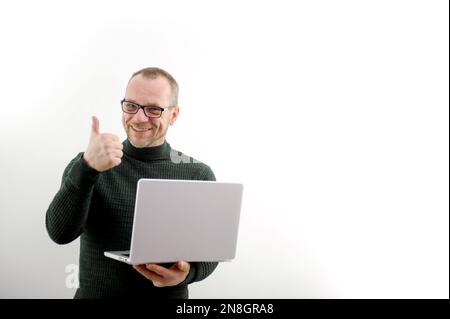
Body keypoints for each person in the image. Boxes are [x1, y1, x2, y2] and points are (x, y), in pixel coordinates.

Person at [46, 67, 218, 298]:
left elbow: (211, 249)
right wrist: (87, 168)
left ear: (174, 115)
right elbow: (60, 234)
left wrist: (188, 274)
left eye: (153, 109)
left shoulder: (197, 174)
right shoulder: (91, 163)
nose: (139, 117)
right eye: (131, 106)